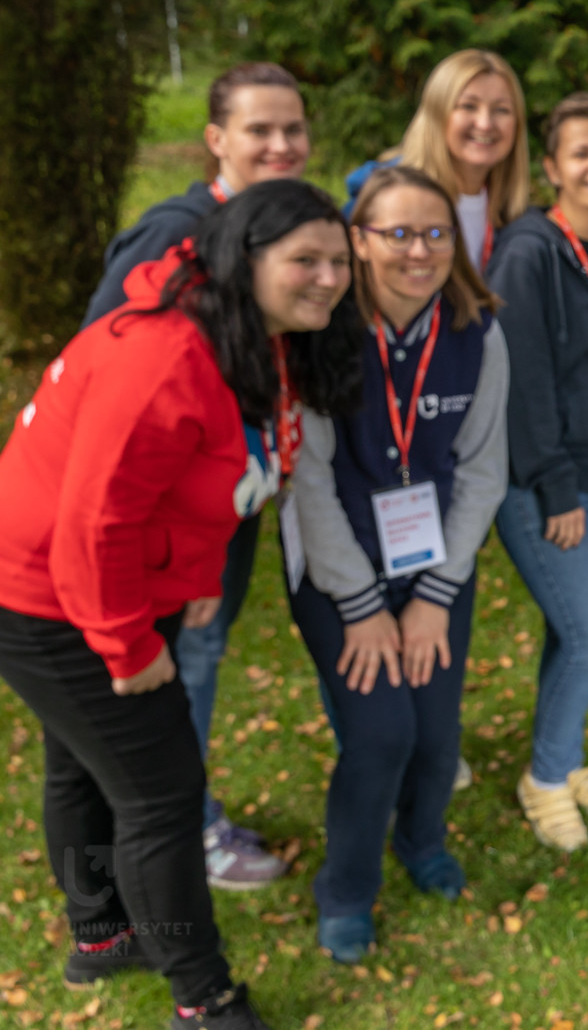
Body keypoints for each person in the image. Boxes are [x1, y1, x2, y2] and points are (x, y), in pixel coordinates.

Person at [0, 181, 360, 1027]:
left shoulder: (248, 332)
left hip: (111, 580)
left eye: (339, 260)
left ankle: (101, 935)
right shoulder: (163, 356)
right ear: (246, 257)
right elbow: (96, 521)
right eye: (305, 260)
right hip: (48, 594)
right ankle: (203, 999)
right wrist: (126, 645)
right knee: (160, 794)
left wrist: (194, 577)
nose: (329, 278)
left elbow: (203, 478)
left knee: (84, 763)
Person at [81, 63, 314, 890]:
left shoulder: (282, 226)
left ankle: (162, 821)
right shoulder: (174, 235)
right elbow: (103, 377)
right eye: (260, 130)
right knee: (176, 668)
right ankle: (178, 832)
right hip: (164, 523)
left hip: (227, 507)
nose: (281, 144)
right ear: (216, 138)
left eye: (293, 128)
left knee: (195, 660)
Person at [288, 166, 509, 963]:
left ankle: (421, 840)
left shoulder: (479, 331)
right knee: (382, 733)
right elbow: (309, 480)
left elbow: (483, 469)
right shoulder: (321, 332)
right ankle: (346, 891)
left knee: (437, 733)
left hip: (436, 564)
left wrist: (437, 593)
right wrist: (360, 605)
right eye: (399, 233)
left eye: (436, 232)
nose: (420, 251)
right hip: (337, 566)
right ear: (359, 240)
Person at [487, 93, 588, 850]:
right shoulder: (529, 252)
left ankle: (565, 756)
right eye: (581, 152)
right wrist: (555, 487)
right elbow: (521, 383)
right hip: (546, 484)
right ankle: (545, 778)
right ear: (552, 167)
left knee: (571, 631)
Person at [346, 49, 529, 276]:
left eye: (501, 110)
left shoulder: (514, 218)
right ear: (437, 113)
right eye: (468, 106)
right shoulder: (383, 198)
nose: (485, 123)